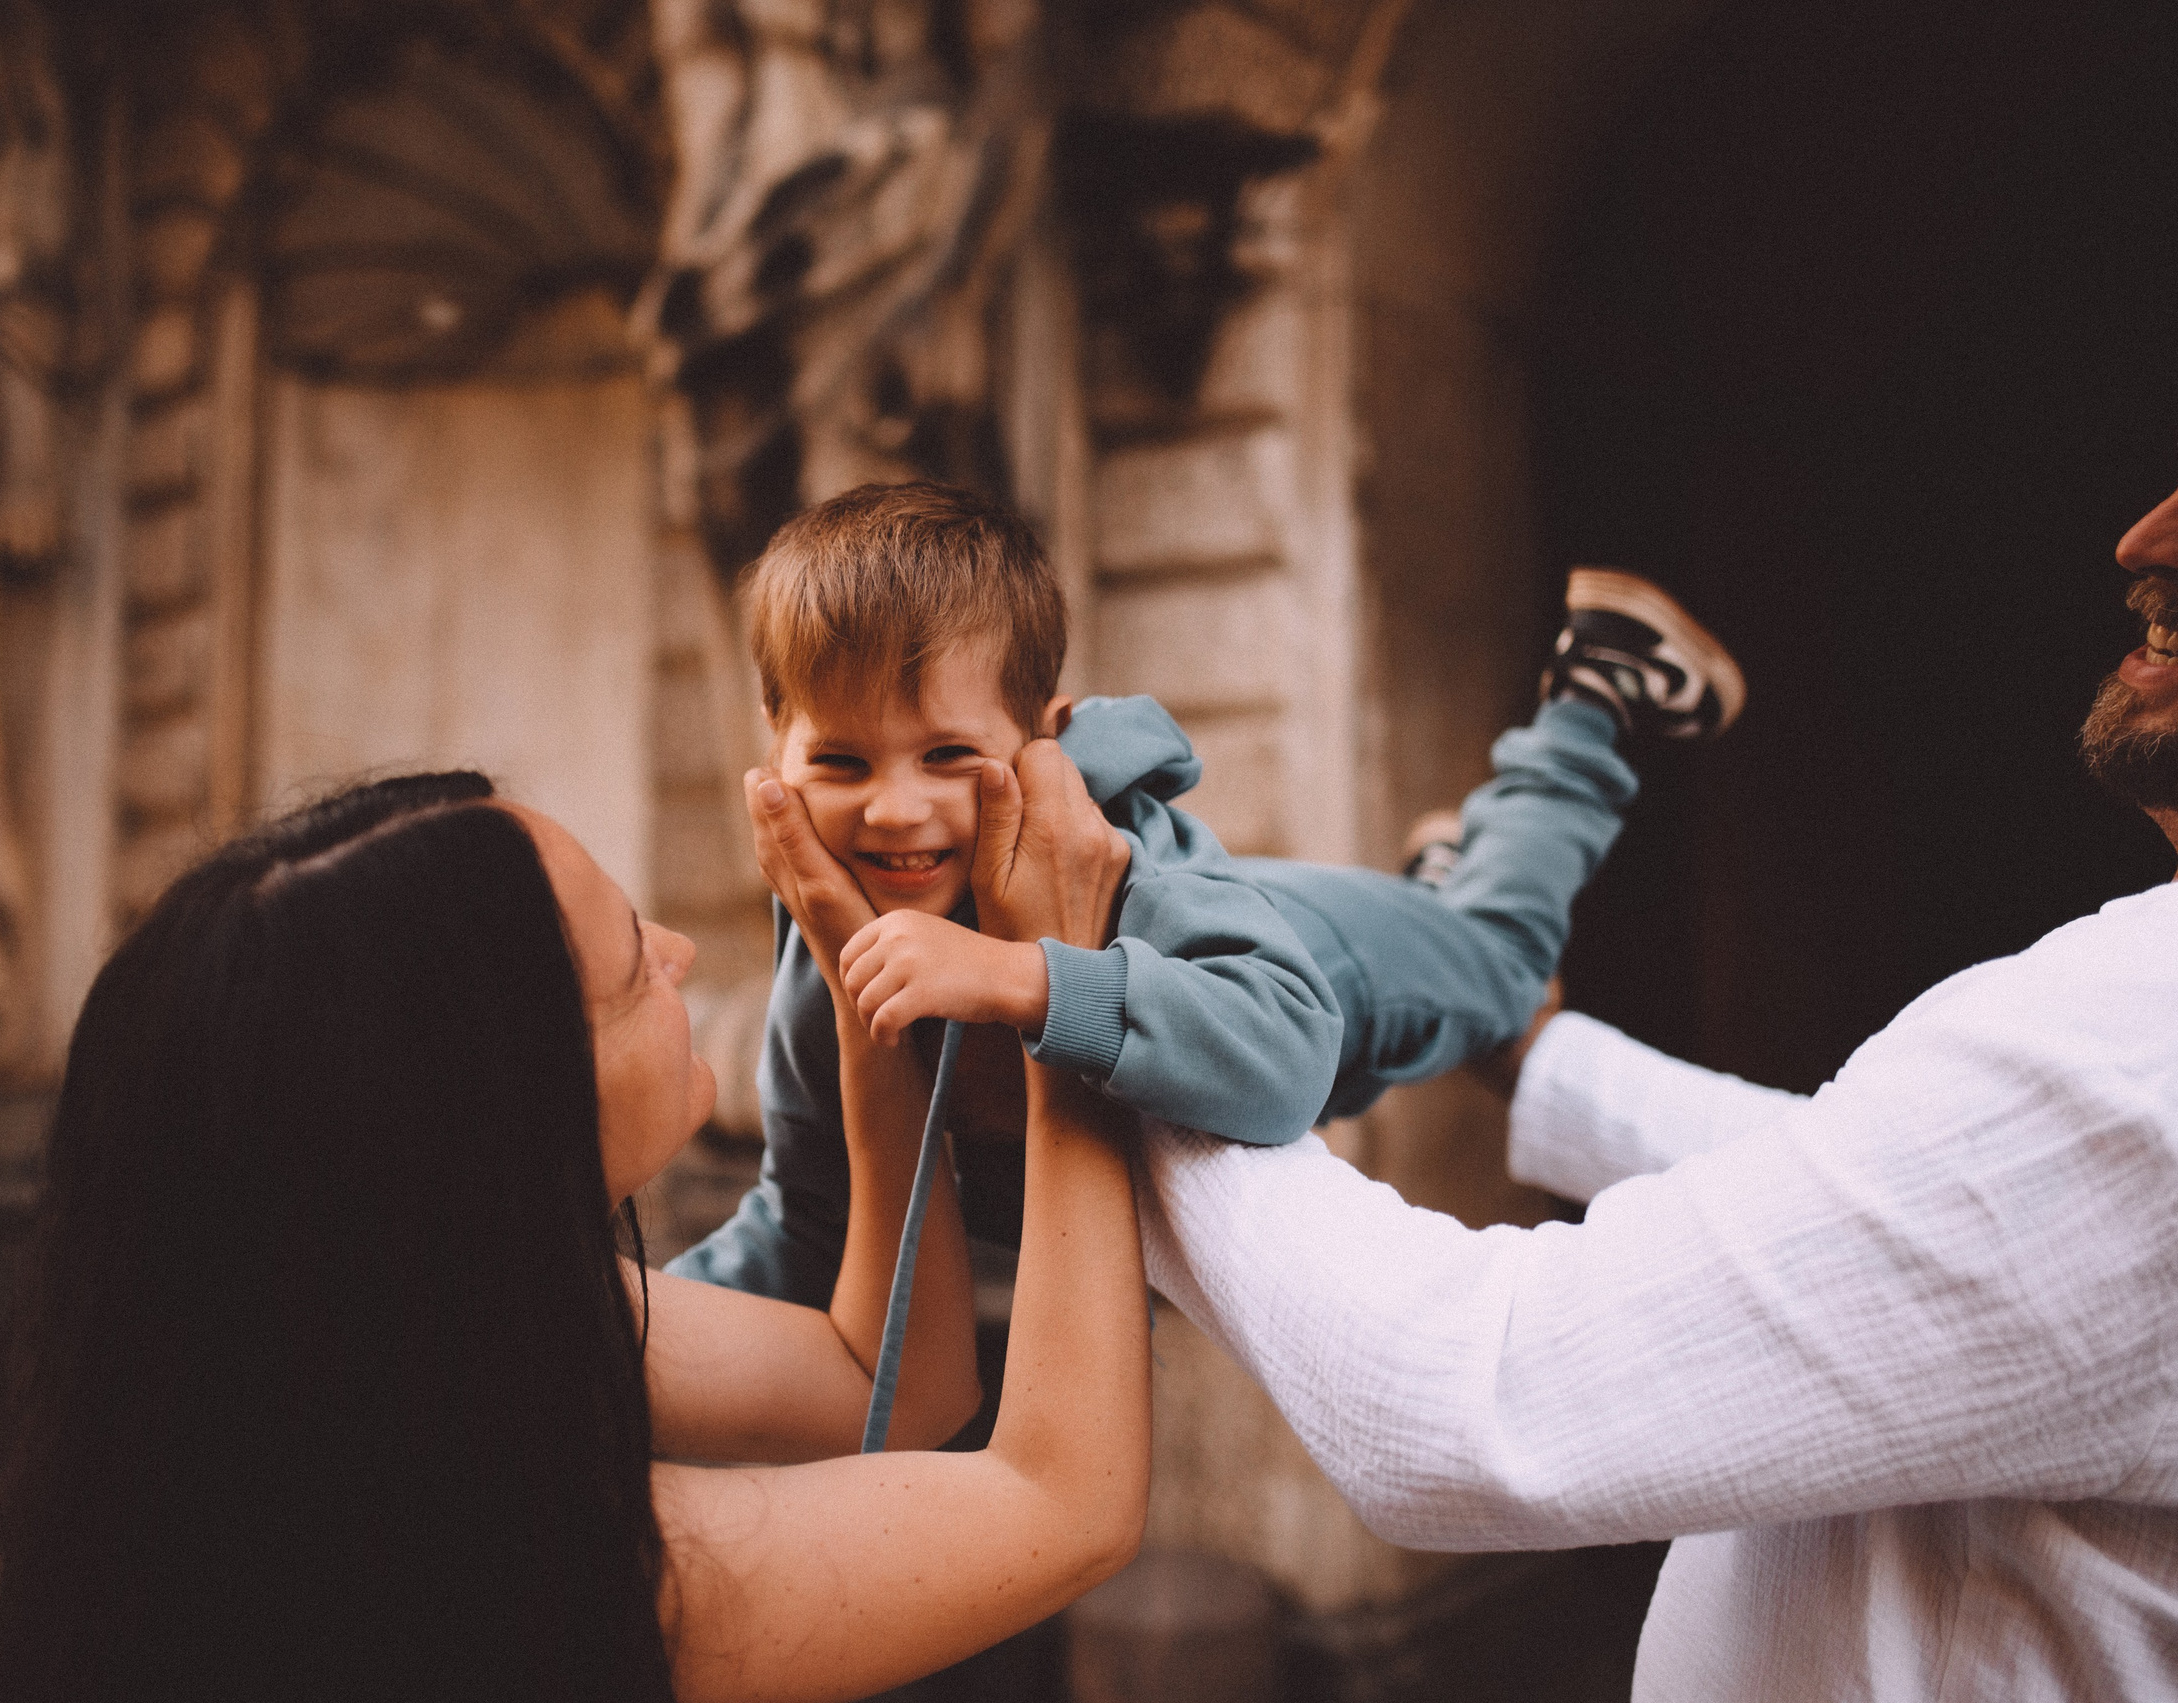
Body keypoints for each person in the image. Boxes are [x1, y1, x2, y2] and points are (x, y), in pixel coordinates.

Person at [1118, 486, 2178, 1699]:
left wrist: (1114, 1033)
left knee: (1479, 947)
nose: (2142, 538)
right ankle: (1580, 723)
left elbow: (1466, 1404)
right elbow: (1886, 1189)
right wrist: (1541, 1058)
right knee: (1477, 950)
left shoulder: (2141, 1046)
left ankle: (1582, 717)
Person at [0, 762, 1148, 1703]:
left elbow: (887, 1382)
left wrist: (857, 987)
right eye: (631, 969)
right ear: (505, 1112)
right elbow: (1063, 1502)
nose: (677, 953)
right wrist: (1067, 996)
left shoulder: (380, 1323)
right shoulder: (577, 1576)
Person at [673, 479, 1744, 1304]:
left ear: (1045, 734)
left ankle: (1595, 691)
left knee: (1505, 970)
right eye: (842, 761)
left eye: (949, 755)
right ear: (777, 742)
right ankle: (1438, 887)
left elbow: (1288, 1050)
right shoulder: (828, 901)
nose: (894, 811)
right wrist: (624, 1317)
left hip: (1332, 964)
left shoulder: (1116, 849)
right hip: (1266, 947)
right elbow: (809, 1211)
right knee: (1465, 941)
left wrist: (1020, 976)